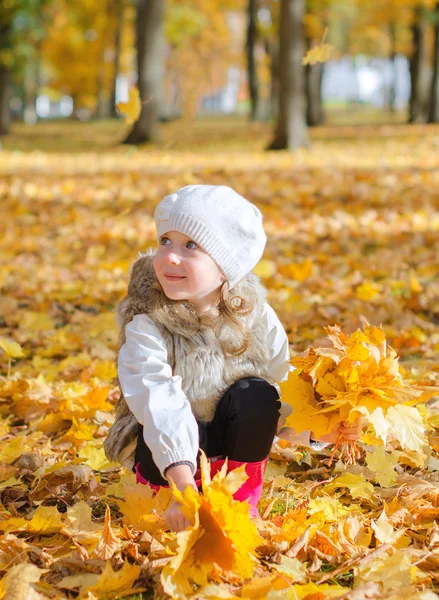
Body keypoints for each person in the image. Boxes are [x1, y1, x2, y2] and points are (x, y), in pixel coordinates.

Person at [104, 185, 362, 533]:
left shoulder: (255, 316)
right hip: (169, 467)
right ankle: (170, 504)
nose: (171, 256)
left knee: (257, 392)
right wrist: (184, 488)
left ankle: (238, 504)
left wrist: (322, 430)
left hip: (228, 454)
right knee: (182, 418)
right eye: (166, 240)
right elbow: (158, 402)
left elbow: (283, 393)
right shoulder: (147, 323)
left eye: (191, 245)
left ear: (226, 266)